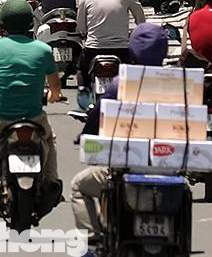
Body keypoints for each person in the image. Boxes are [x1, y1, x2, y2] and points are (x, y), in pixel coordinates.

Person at [72, 23, 169, 241]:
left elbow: (97, 117)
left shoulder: (120, 85)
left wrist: (83, 136)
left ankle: (93, 236)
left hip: (126, 166)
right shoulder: (179, 84)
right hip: (169, 167)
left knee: (79, 186)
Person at [0, 0, 62, 204]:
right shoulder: (43, 50)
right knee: (49, 140)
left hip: (2, 118)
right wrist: (54, 97)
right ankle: (52, 179)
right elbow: (55, 87)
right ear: (30, 23)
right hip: (34, 118)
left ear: (2, 25)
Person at [77, 0, 146, 77]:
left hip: (93, 49)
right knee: (132, 77)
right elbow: (141, 21)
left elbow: (81, 26)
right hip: (121, 50)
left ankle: (84, 96)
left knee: (81, 71)